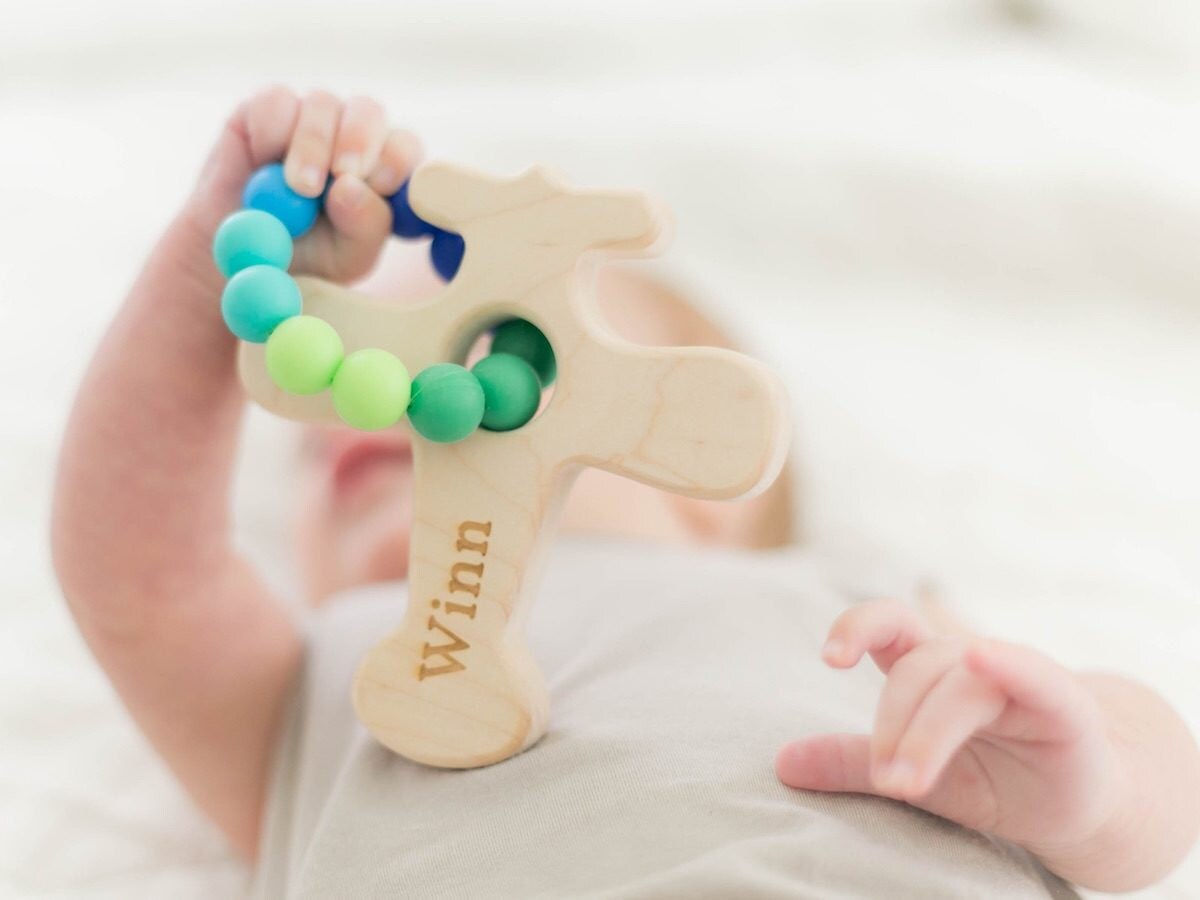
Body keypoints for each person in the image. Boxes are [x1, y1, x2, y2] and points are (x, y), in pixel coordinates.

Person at [51, 87, 1199, 898]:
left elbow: (1158, 778)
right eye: (329, 422)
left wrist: (1095, 783)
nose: (401, 399)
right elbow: (138, 570)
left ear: (708, 491)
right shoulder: (315, 684)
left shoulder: (853, 613)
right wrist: (219, 249)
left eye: (498, 357)